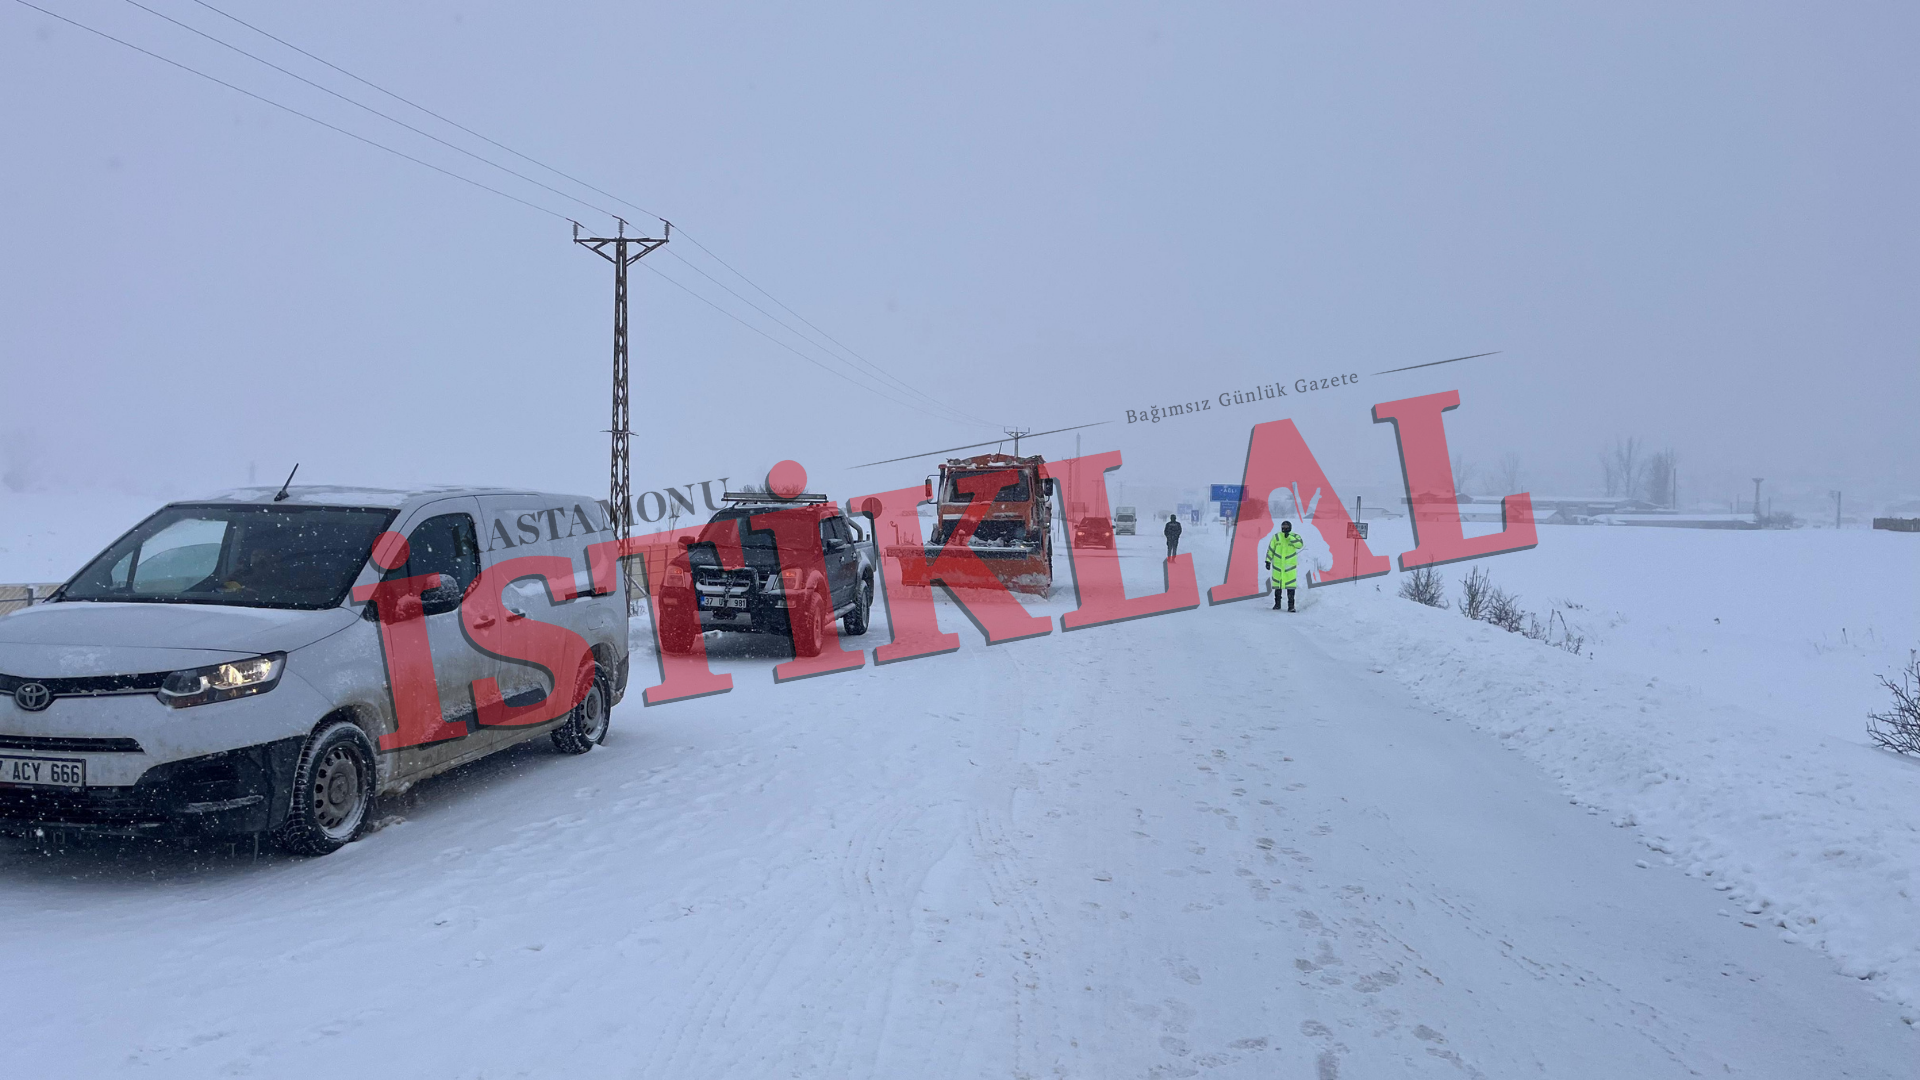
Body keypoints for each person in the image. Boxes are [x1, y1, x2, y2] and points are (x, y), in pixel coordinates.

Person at [1265, 520, 1304, 611]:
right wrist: (1267, 561)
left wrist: (1289, 536)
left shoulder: (1295, 536)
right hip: (1278, 567)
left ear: (1290, 527)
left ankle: (1291, 606)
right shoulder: (1276, 537)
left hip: (1289, 568)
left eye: (1287, 527)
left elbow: (1299, 545)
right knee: (1277, 585)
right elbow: (1271, 549)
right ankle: (1277, 604)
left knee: (1290, 586)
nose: (1285, 528)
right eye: (1284, 527)